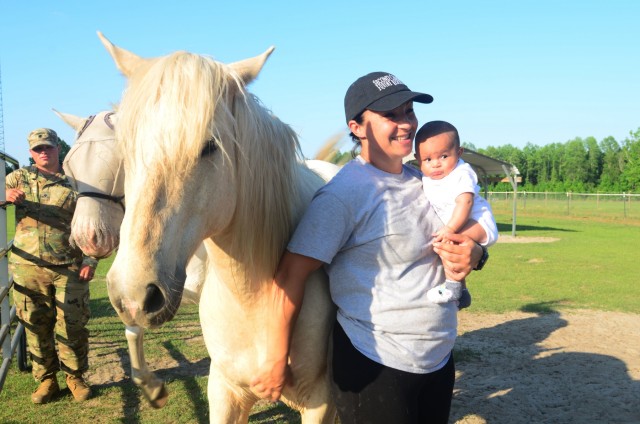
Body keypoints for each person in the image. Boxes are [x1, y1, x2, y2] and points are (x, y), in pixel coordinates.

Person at [250, 72, 486, 423]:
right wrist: (274, 357)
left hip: (438, 359)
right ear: (357, 127)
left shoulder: (426, 182)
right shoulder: (344, 195)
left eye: (409, 111)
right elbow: (290, 273)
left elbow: (470, 236)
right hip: (377, 367)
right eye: (391, 115)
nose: (406, 123)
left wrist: (477, 255)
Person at [5, 128, 98, 404]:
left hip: (69, 266)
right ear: (31, 152)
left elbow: (94, 222)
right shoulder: (20, 176)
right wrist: (5, 192)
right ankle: (46, 380)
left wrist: (91, 259)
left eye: (48, 147)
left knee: (73, 325)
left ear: (58, 148)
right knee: (35, 325)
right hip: (27, 267)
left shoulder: (76, 183)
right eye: (37, 149)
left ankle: (75, 377)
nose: (43, 152)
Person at [414, 120, 498, 309]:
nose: (435, 164)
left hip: (478, 222)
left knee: (448, 245)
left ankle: (453, 287)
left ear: (458, 153)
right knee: (451, 249)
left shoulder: (461, 173)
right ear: (417, 159)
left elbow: (465, 202)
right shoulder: (427, 178)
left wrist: (450, 228)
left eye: (443, 156)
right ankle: (462, 292)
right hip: (463, 223)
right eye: (427, 159)